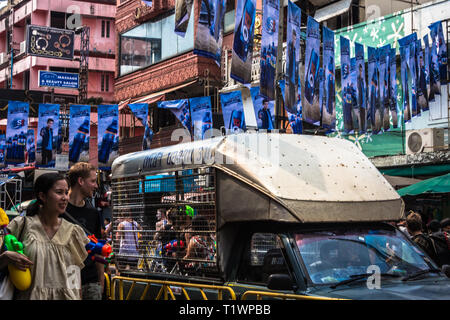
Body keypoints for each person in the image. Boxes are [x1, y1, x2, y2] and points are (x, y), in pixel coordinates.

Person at [0, 173, 89, 299]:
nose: (65, 198)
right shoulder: (21, 226)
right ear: (42, 196)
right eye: (59, 192)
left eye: (65, 192)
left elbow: (75, 277)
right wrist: (6, 257)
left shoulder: (74, 232)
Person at [61, 162, 104, 300]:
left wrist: (101, 283)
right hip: (65, 280)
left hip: (90, 281)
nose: (96, 186)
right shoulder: (59, 208)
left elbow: (99, 248)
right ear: (80, 181)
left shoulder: (94, 213)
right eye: (92, 181)